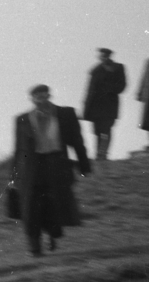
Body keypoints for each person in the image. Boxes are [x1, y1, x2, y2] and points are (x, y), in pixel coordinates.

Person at [12, 85, 91, 257]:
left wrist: (84, 165)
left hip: (56, 164)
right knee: (30, 208)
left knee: (53, 205)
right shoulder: (22, 119)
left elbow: (77, 141)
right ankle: (35, 248)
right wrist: (14, 175)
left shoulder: (65, 114)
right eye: (36, 95)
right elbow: (18, 149)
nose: (40, 97)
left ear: (49, 95)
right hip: (31, 168)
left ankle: (52, 234)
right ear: (31, 98)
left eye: (43, 94)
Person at [82, 47, 128, 161]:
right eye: (101, 56)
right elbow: (89, 89)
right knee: (97, 131)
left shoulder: (118, 68)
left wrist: (109, 89)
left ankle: (104, 153)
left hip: (110, 104)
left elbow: (122, 86)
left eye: (105, 55)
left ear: (109, 56)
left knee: (106, 129)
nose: (103, 58)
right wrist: (86, 105)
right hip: (95, 105)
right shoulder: (95, 70)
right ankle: (98, 153)